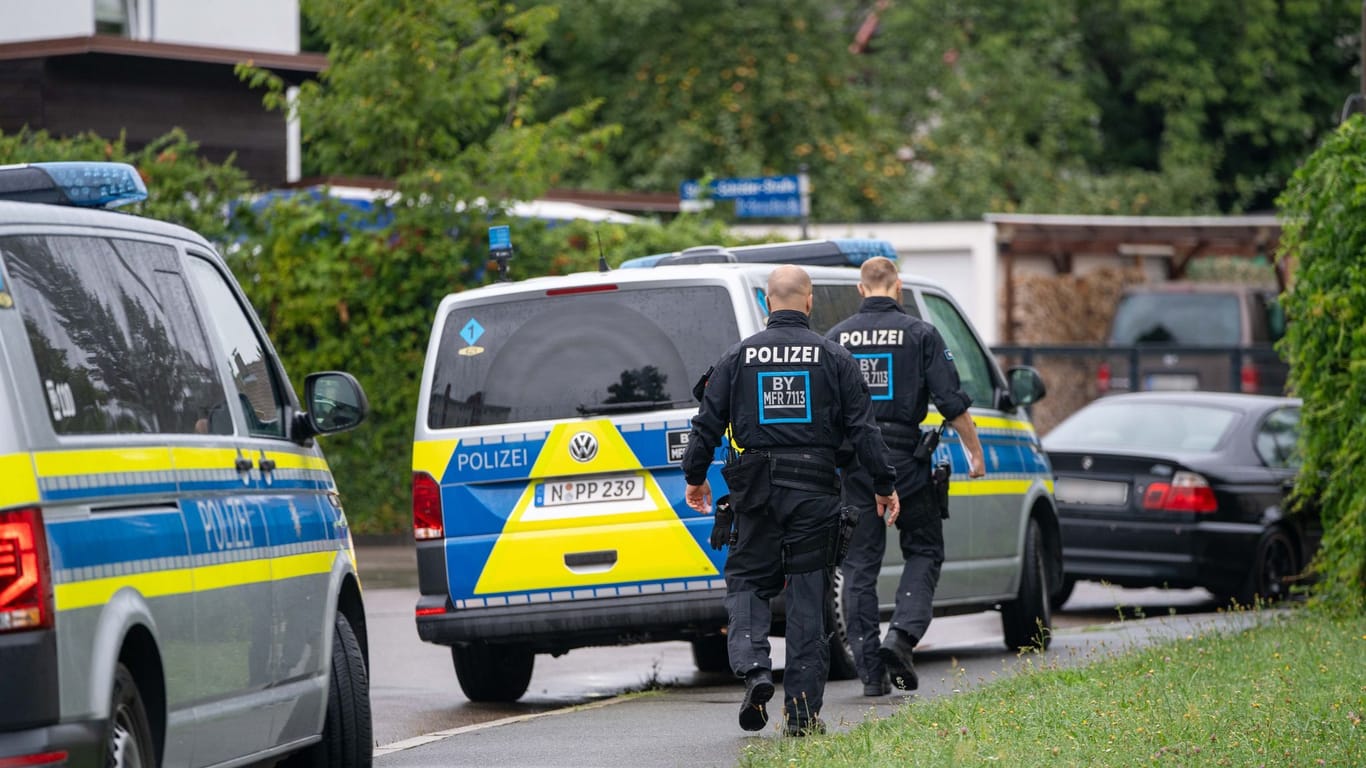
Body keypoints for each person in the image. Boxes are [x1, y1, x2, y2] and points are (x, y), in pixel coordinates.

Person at [682, 264, 899, 737]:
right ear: (809, 301)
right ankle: (801, 717)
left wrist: (695, 478)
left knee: (747, 582)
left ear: (766, 303)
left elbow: (705, 425)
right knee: (806, 602)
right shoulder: (834, 357)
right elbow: (864, 430)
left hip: (755, 494)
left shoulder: (737, 357)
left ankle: (756, 670)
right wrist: (884, 484)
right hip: (815, 496)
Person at [825, 256, 986, 696]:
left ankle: (871, 674)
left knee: (859, 566)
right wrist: (975, 453)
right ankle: (901, 635)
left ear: (861, 290)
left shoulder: (836, 338)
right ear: (898, 287)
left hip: (856, 463)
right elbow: (952, 402)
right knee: (925, 550)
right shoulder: (921, 333)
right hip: (905, 460)